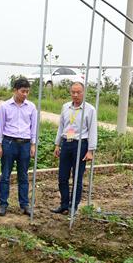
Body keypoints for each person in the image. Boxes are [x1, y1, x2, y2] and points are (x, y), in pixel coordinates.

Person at [52, 79, 97, 216]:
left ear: (83, 93)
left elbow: (92, 130)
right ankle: (64, 204)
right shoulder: (66, 107)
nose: (75, 95)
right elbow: (61, 126)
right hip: (66, 143)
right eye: (73, 92)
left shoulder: (90, 109)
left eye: (78, 92)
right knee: (62, 177)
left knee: (77, 177)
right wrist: (57, 144)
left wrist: (90, 150)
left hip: (80, 144)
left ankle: (73, 206)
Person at [0, 77, 37, 216]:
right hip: (9, 143)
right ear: (15, 90)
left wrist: (33, 145)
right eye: (22, 91)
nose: (25, 94)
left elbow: (33, 127)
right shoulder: (5, 106)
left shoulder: (31, 107)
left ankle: (24, 204)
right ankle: (3, 204)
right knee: (5, 175)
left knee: (23, 175)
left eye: (27, 92)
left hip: (25, 144)